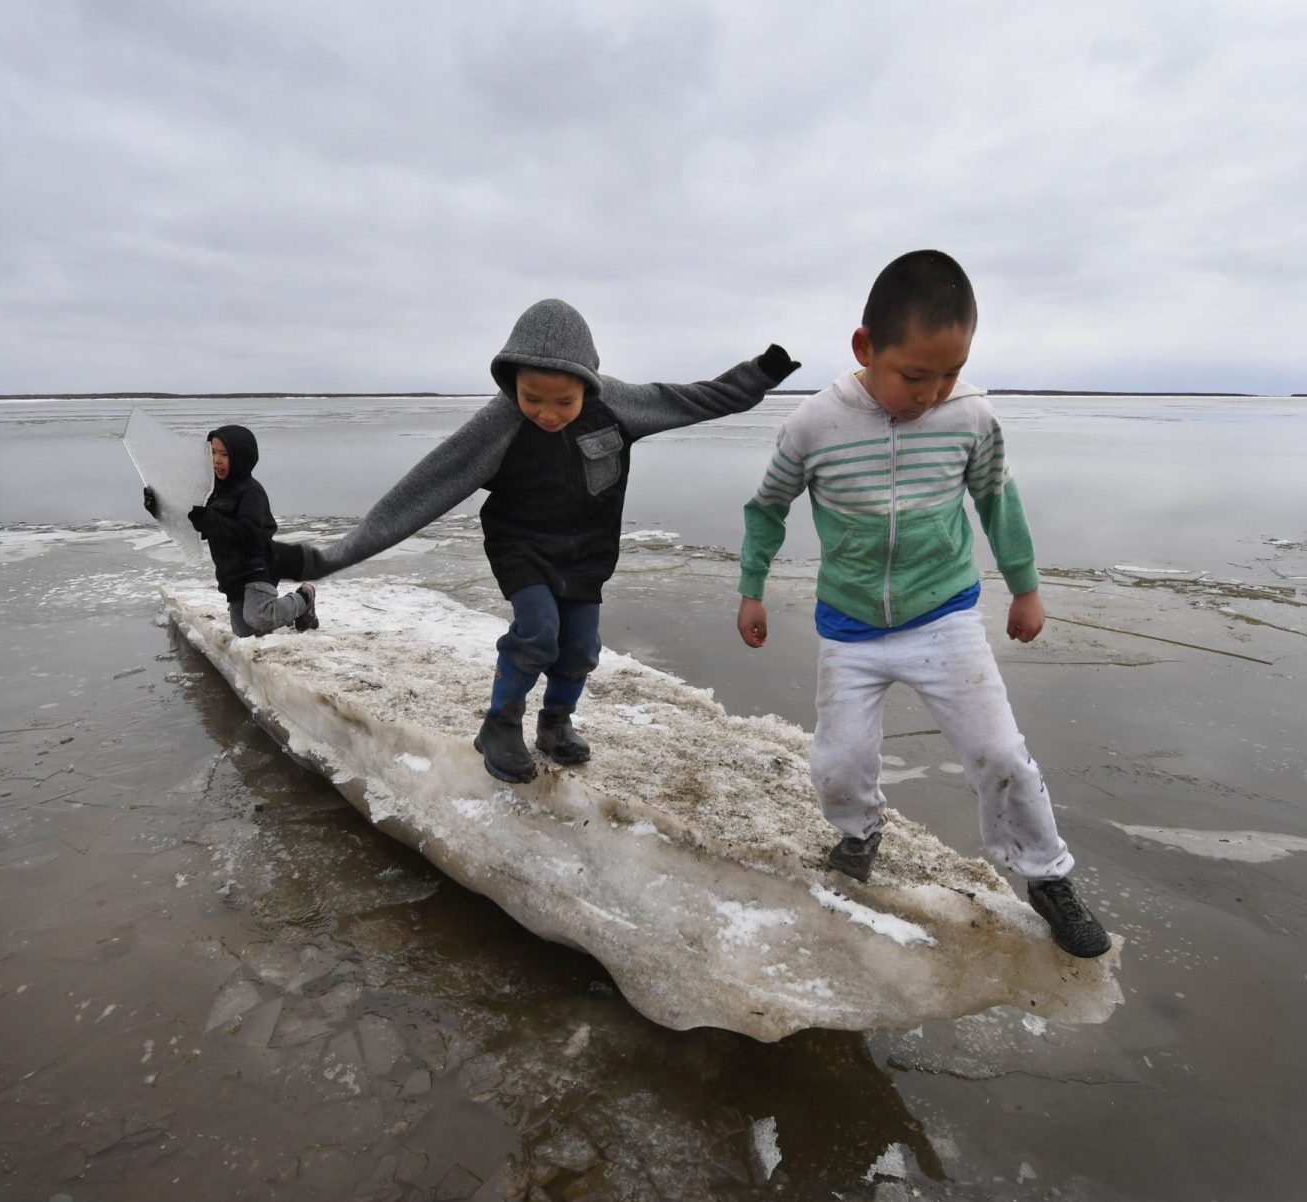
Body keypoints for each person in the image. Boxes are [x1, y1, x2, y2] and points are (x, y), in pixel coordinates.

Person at [734, 251, 1108, 958]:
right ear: (865, 348)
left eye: (950, 373)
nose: (933, 392)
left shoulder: (970, 417)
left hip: (943, 616)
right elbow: (767, 508)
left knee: (1000, 752)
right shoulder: (814, 424)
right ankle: (857, 835)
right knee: (839, 763)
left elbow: (997, 497)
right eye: (915, 375)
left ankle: (1047, 876)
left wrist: (1025, 585)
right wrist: (751, 587)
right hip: (849, 626)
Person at [276, 298, 799, 783]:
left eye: (563, 402)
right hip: (521, 546)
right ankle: (499, 725)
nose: (547, 413)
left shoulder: (618, 403)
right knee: (538, 632)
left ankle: (555, 723)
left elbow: (693, 399)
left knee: (579, 649)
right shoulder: (499, 423)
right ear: (513, 383)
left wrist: (760, 375)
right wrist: (329, 557)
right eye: (532, 399)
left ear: (588, 386)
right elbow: (424, 489)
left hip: (587, 555)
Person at [142, 424, 317, 638]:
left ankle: (304, 598)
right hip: (233, 574)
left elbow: (248, 533)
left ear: (241, 457)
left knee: (258, 617)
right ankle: (280, 612)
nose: (216, 459)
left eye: (224, 454)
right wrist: (158, 509)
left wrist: (210, 520)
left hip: (258, 567)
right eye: (213, 452)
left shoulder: (252, 493)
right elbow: (192, 521)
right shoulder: (213, 491)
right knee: (244, 629)